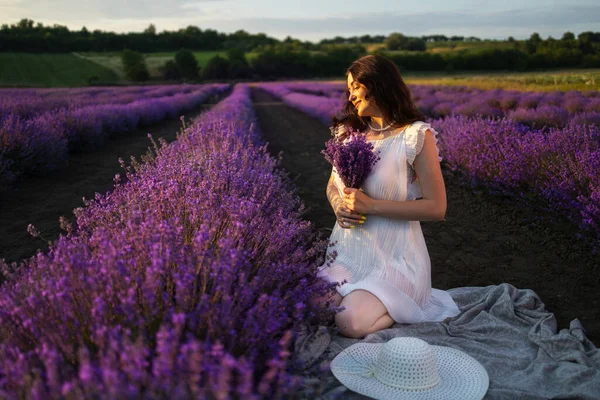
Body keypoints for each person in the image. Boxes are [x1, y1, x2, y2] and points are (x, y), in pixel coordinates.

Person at [314, 54, 461, 339]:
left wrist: (373, 207)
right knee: (312, 309)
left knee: (350, 323)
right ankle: (362, 299)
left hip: (395, 260)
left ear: (377, 83)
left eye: (355, 86)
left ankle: (398, 304)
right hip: (348, 254)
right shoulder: (348, 134)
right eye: (349, 89)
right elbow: (332, 185)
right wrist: (337, 205)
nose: (351, 96)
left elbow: (437, 208)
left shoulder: (415, 136)